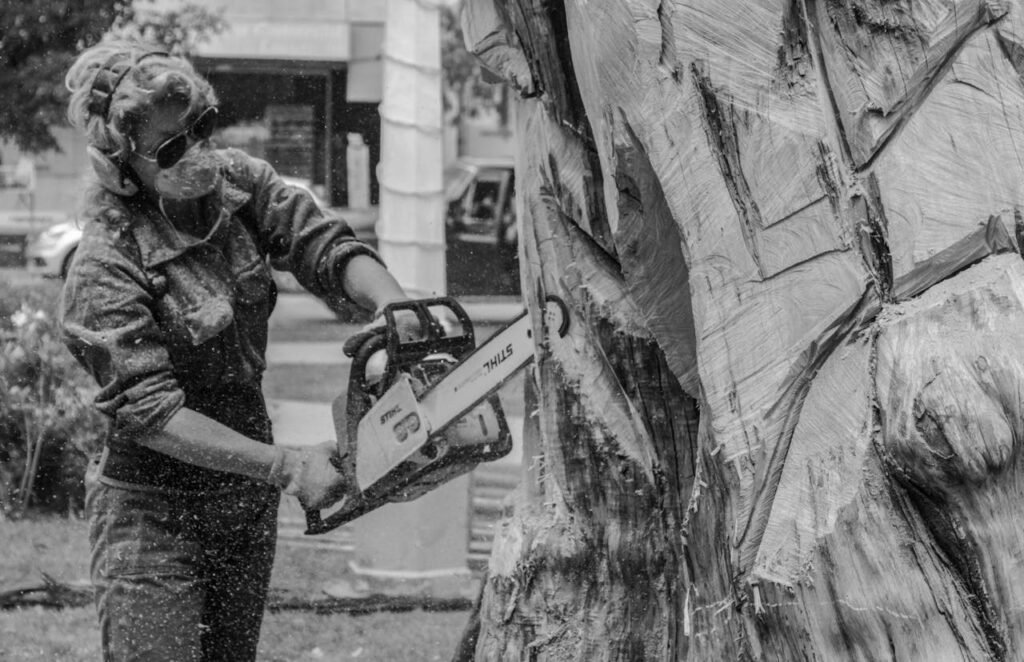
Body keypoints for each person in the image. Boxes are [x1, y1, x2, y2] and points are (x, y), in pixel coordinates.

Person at [60, 40, 414, 661]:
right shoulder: (106, 259)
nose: (196, 150)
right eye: (172, 146)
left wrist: (392, 309)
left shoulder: (240, 186)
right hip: (151, 512)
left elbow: (320, 243)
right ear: (119, 163)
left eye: (201, 127)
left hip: (240, 505)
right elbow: (152, 414)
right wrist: (286, 466)